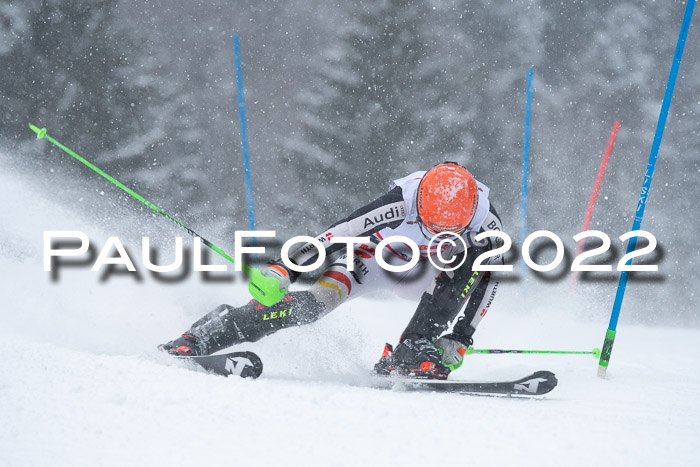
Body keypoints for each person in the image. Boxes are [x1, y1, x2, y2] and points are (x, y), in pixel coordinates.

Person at [159, 162, 504, 379]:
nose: (438, 234)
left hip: (429, 275)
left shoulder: (487, 224)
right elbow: (337, 234)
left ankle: (413, 348)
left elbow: (490, 280)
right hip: (370, 260)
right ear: (421, 207)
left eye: (450, 230)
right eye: (431, 225)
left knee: (473, 265)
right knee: (313, 305)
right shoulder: (402, 201)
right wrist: (285, 270)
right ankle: (206, 335)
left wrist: (461, 337)